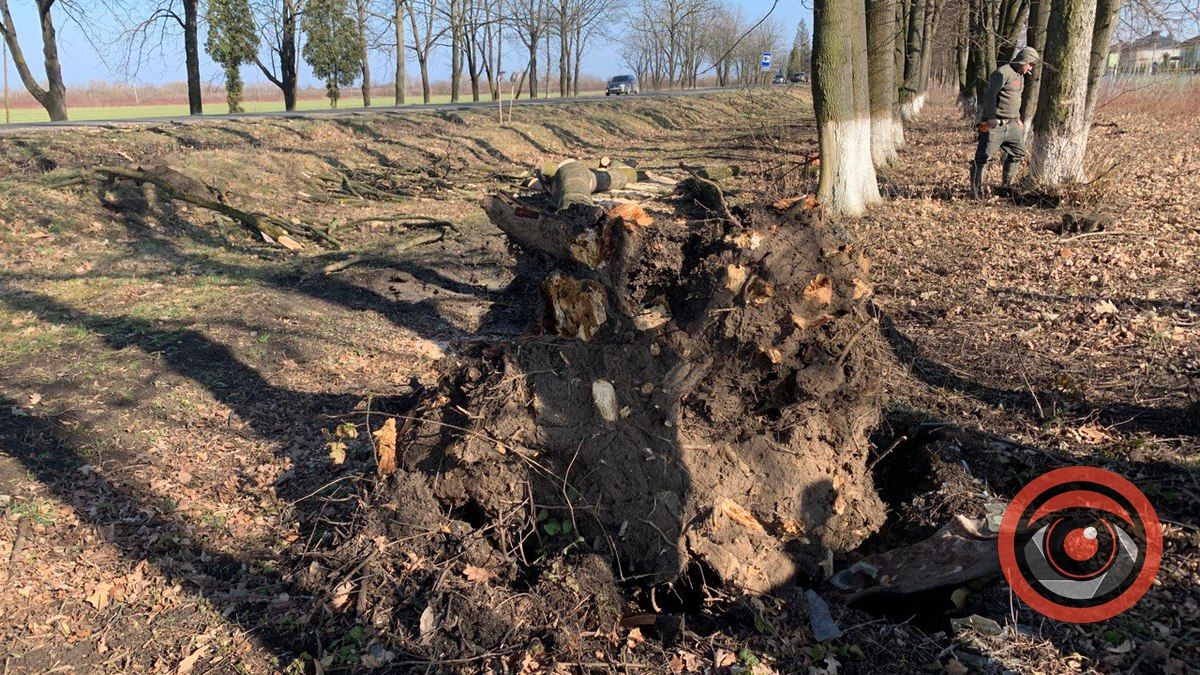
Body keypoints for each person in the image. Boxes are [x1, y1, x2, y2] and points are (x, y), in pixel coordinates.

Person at [970, 47, 1039, 199]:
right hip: (993, 124)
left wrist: (1018, 118)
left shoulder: (1021, 76)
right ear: (1023, 61)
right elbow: (990, 95)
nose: (1030, 68)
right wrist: (991, 117)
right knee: (982, 157)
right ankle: (976, 190)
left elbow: (1016, 99)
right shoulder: (1001, 73)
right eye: (1030, 64)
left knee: (1018, 152)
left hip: (1012, 124)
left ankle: (1007, 187)